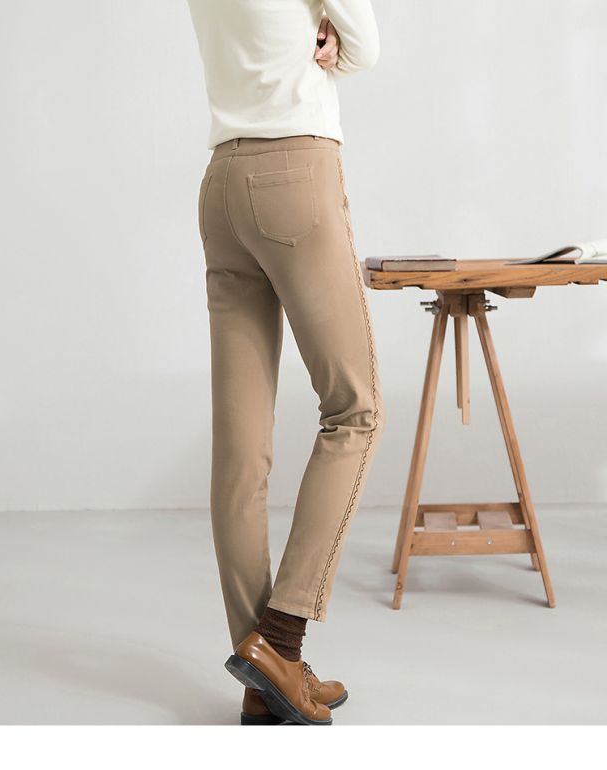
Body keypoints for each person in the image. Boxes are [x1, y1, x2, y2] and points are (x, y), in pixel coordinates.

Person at [186, 0, 386, 725]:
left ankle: (263, 677)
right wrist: (327, 28)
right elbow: (364, 46)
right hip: (294, 170)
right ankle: (280, 641)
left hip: (222, 182)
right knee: (356, 410)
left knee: (241, 451)